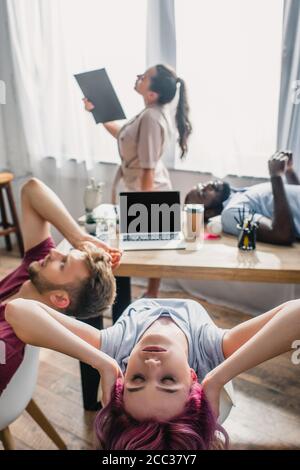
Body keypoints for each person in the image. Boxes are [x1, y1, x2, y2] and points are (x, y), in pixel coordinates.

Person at [5, 294, 300, 450]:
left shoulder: (116, 347)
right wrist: (220, 376)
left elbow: (18, 311)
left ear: (122, 376)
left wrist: (101, 362)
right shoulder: (209, 347)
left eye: (136, 380)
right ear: (193, 378)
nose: (150, 365)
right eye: (169, 381)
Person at [0, 177, 122, 395]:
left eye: (63, 263)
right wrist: (78, 238)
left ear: (59, 299)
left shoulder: (6, 343)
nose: (54, 253)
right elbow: (31, 189)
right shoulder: (35, 268)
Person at [84, 64, 192, 298]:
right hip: (146, 190)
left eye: (144, 76)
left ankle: (148, 296)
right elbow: (122, 135)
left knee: (144, 253)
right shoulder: (147, 114)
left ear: (153, 94)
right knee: (142, 253)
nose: (138, 77)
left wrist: (139, 210)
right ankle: (147, 296)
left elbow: (148, 170)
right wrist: (96, 111)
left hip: (151, 191)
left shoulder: (152, 118)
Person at [185, 151, 300, 245]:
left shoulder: (239, 194)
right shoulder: (231, 212)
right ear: (209, 213)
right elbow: (281, 234)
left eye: (203, 184)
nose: (208, 185)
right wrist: (275, 176)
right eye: (203, 193)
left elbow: (293, 200)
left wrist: (289, 171)